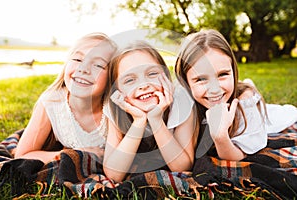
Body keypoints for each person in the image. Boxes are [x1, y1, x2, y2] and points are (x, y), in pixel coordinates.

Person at [14, 32, 117, 164]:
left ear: (111, 78)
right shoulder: (52, 102)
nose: (83, 69)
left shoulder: (114, 107)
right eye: (78, 60)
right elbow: (22, 155)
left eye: (98, 65)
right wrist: (76, 154)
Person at [103, 40, 196, 183]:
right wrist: (139, 121)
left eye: (152, 73)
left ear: (166, 76)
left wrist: (156, 119)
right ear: (118, 90)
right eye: (129, 80)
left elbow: (182, 167)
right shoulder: (115, 107)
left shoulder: (181, 101)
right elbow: (114, 175)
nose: (144, 85)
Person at [175, 29, 268, 161]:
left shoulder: (244, 103)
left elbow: (238, 156)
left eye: (222, 74)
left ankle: (247, 84)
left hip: (262, 114)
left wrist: (221, 137)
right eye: (201, 79)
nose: (214, 89)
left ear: (233, 71)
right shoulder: (185, 101)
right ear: (186, 82)